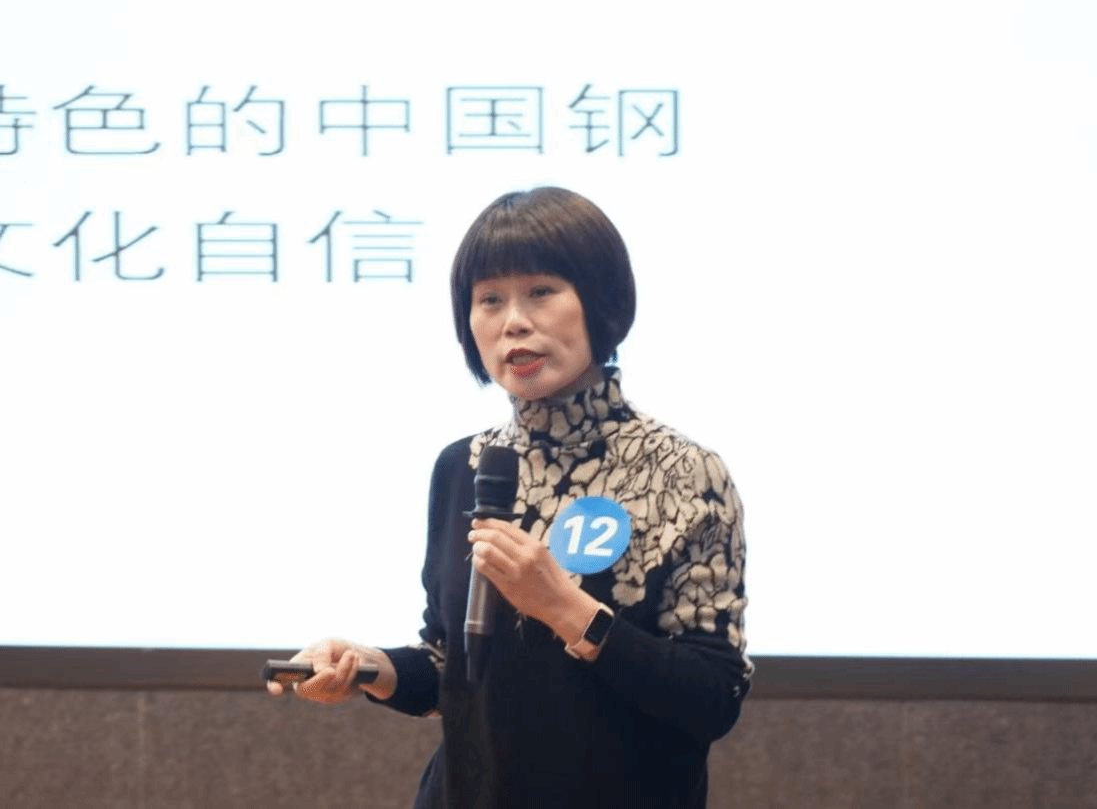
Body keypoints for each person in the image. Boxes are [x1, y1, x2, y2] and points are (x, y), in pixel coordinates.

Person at [267, 186, 751, 808]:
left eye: (541, 291)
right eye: (489, 299)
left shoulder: (684, 471)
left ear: (602, 301)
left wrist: (564, 608)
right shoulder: (464, 466)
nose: (513, 321)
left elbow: (712, 698)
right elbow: (452, 666)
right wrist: (367, 667)